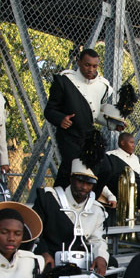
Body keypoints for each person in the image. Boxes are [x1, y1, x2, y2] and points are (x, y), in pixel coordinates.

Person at [44, 48, 113, 187]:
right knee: (73, 170)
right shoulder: (65, 80)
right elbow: (49, 110)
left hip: (89, 136)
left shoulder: (103, 85)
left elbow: (95, 113)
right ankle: (55, 202)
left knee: (106, 169)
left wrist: (112, 123)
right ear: (79, 62)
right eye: (87, 65)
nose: (90, 69)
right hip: (69, 135)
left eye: (94, 66)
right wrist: (61, 119)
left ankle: (90, 202)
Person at [31, 159, 109, 271]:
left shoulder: (97, 208)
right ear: (71, 179)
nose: (84, 187)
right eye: (80, 181)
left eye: (89, 183)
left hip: (81, 258)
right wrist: (43, 252)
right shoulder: (49, 198)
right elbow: (35, 232)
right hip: (51, 257)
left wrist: (101, 256)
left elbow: (97, 239)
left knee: (110, 264)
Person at [106, 132, 140, 240]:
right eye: (131, 142)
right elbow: (105, 179)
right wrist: (110, 196)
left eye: (134, 143)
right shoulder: (111, 155)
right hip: (124, 188)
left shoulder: (135, 158)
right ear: (122, 143)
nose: (133, 145)